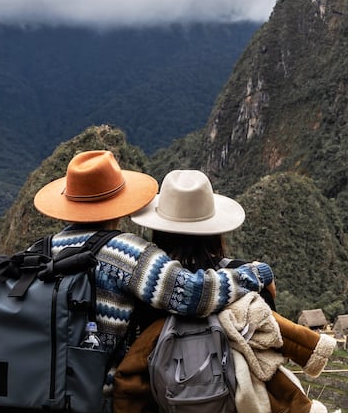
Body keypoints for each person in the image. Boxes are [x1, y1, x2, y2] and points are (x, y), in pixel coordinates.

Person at [109, 169, 337, 413]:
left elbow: (133, 354)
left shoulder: (152, 289)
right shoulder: (244, 276)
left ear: (158, 232)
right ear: (215, 231)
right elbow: (272, 345)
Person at [32, 151, 276, 355]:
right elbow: (192, 293)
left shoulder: (40, 250)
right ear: (118, 203)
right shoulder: (126, 252)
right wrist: (256, 273)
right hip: (96, 391)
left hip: (37, 386)